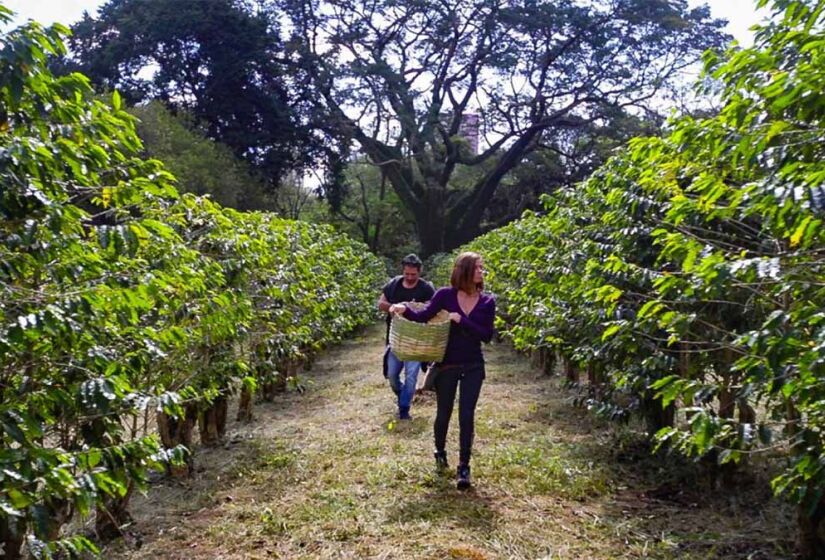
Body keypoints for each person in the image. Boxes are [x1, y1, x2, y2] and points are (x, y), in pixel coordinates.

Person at [389, 252, 495, 490]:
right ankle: (439, 451)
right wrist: (403, 308)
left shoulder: (487, 301)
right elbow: (423, 316)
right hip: (447, 364)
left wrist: (461, 320)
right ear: (465, 270)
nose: (482, 272)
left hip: (473, 365)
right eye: (478, 268)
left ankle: (464, 467)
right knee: (444, 412)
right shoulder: (445, 295)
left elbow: (487, 335)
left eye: (482, 268)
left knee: (466, 415)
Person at [377, 254, 435, 420]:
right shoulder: (394, 285)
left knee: (411, 375)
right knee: (393, 375)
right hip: (395, 338)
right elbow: (381, 303)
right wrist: (392, 308)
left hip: (416, 340)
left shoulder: (426, 288)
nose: (409, 277)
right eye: (407, 274)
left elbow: (434, 308)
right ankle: (403, 394)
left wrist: (415, 309)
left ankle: (404, 410)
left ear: (419, 272)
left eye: (413, 275)